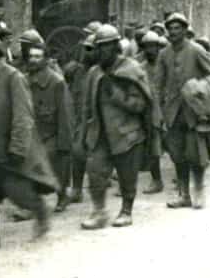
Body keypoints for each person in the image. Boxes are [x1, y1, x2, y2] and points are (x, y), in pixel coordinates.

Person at [0, 31, 59, 252]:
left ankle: (40, 211)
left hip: (8, 147)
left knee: (17, 191)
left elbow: (23, 115)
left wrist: (18, 147)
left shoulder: (13, 78)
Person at [79, 25, 158, 229]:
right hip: (101, 133)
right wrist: (83, 135)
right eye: (99, 47)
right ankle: (99, 211)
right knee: (95, 171)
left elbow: (141, 105)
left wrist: (117, 96)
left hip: (127, 134)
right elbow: (86, 107)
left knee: (127, 175)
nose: (101, 51)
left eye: (106, 46)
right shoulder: (94, 73)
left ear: (115, 46)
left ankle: (126, 211)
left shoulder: (131, 69)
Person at [155, 13, 210, 210]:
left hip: (194, 112)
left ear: (185, 30)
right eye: (170, 28)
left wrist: (199, 87)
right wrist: (159, 110)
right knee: (177, 155)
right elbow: (158, 84)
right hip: (173, 111)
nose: (173, 32)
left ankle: (198, 190)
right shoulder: (164, 54)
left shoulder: (196, 50)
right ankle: (183, 194)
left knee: (195, 154)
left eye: (177, 28)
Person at [26, 42, 75, 213]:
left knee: (56, 164)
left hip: (51, 132)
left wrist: (64, 143)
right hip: (33, 132)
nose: (33, 60)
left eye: (38, 56)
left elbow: (65, 114)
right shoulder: (25, 80)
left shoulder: (57, 82)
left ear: (46, 60)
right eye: (31, 56)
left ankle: (62, 195)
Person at [64, 34, 97, 204]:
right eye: (86, 48)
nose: (88, 52)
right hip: (80, 118)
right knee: (77, 153)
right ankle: (77, 189)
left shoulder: (103, 71)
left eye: (91, 49)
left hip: (99, 120)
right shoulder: (75, 70)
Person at [138, 31, 166, 194]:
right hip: (151, 111)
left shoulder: (165, 64)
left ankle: (182, 178)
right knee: (153, 148)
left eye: (153, 46)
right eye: (146, 47)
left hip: (168, 108)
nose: (150, 50)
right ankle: (157, 180)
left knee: (176, 146)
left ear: (158, 47)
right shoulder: (140, 68)